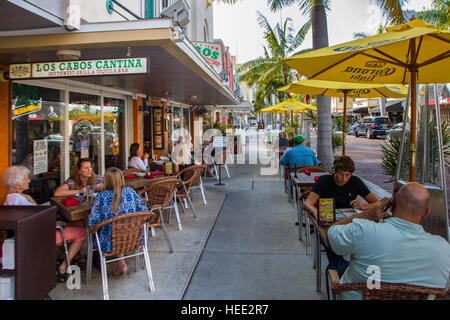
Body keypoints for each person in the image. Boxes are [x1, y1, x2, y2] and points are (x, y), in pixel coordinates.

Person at [326, 183, 450, 300]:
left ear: (391, 204)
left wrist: (368, 215)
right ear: (426, 213)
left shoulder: (364, 230)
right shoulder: (444, 250)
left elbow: (331, 236)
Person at [303, 156, 379, 297]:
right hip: (327, 226)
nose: (344, 179)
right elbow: (308, 203)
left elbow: (377, 203)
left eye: (347, 175)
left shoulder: (355, 182)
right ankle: (337, 290)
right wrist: (316, 212)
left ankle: (351, 279)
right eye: (341, 174)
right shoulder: (324, 181)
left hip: (352, 226)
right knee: (336, 258)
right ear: (335, 172)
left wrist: (363, 205)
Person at [2, 165, 87, 282]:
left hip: (31, 234)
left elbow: (33, 218)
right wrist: (56, 224)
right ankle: (62, 268)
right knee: (82, 232)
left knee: (77, 224)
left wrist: (31, 200)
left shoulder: (11, 198)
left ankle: (68, 256)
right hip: (40, 237)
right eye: (25, 179)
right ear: (17, 185)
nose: (29, 180)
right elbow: (36, 222)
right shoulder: (19, 200)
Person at [88, 167, 149, 277]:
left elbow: (92, 222)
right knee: (118, 226)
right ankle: (121, 264)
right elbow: (144, 211)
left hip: (110, 242)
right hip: (134, 238)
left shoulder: (102, 196)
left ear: (105, 180)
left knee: (109, 228)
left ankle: (115, 264)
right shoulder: (130, 192)